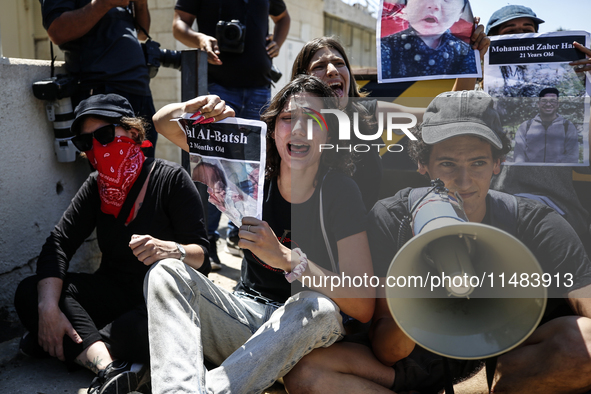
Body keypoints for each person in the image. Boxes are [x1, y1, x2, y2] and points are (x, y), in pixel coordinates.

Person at [284, 90, 591, 393]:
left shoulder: (536, 223)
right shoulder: (391, 219)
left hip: (504, 361)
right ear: (423, 163)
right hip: (422, 361)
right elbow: (387, 350)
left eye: (478, 163)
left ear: (498, 164)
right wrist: (421, 294)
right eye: (447, 164)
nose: (464, 180)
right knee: (308, 374)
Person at [145, 75, 374, 394]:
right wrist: (195, 107)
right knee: (165, 273)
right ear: (272, 128)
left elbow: (362, 303)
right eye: (287, 118)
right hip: (246, 326)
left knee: (316, 306)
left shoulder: (339, 191)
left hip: (304, 340)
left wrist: (286, 259)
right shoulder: (249, 178)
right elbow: (163, 124)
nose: (297, 130)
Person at [13, 94, 211, 394]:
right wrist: (49, 308)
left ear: (132, 132)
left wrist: (172, 250)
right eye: (86, 142)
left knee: (131, 332)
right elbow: (59, 244)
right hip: (113, 292)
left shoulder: (170, 179)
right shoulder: (97, 186)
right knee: (33, 293)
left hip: (161, 301)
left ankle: (65, 344)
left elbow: (202, 258)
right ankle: (110, 367)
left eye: (105, 135)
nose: (97, 148)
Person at [290, 35, 488, 210]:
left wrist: (468, 58)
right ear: (301, 80)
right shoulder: (288, 128)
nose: (332, 70)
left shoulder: (367, 113)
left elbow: (444, 114)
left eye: (339, 63)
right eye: (319, 66)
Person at [171, 0, 291, 265]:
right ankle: (207, 241)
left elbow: (283, 18)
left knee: (255, 167)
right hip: (217, 87)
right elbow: (179, 25)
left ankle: (244, 238)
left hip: (260, 87)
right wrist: (199, 37)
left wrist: (277, 43)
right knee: (213, 164)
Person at [483, 5, 591, 253]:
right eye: (510, 30)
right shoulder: (477, 95)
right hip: (494, 211)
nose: (520, 34)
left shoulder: (569, 102)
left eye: (527, 30)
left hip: (559, 213)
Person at [40, 0, 158, 157]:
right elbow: (57, 31)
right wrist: (104, 3)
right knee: (113, 172)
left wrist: (141, 4)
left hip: (139, 88)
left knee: (146, 171)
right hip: (101, 91)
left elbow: (142, 33)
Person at [380, 0, 477, 80]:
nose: (433, 5)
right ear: (406, 5)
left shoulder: (466, 51)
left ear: (460, 13)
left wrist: (478, 52)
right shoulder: (385, 48)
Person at [513, 87, 579, 163]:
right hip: (531, 173)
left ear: (557, 104)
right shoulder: (525, 126)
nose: (548, 104)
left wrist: (562, 172)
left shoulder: (567, 126)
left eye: (552, 101)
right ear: (538, 104)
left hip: (558, 173)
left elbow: (572, 156)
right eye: (544, 101)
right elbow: (519, 154)